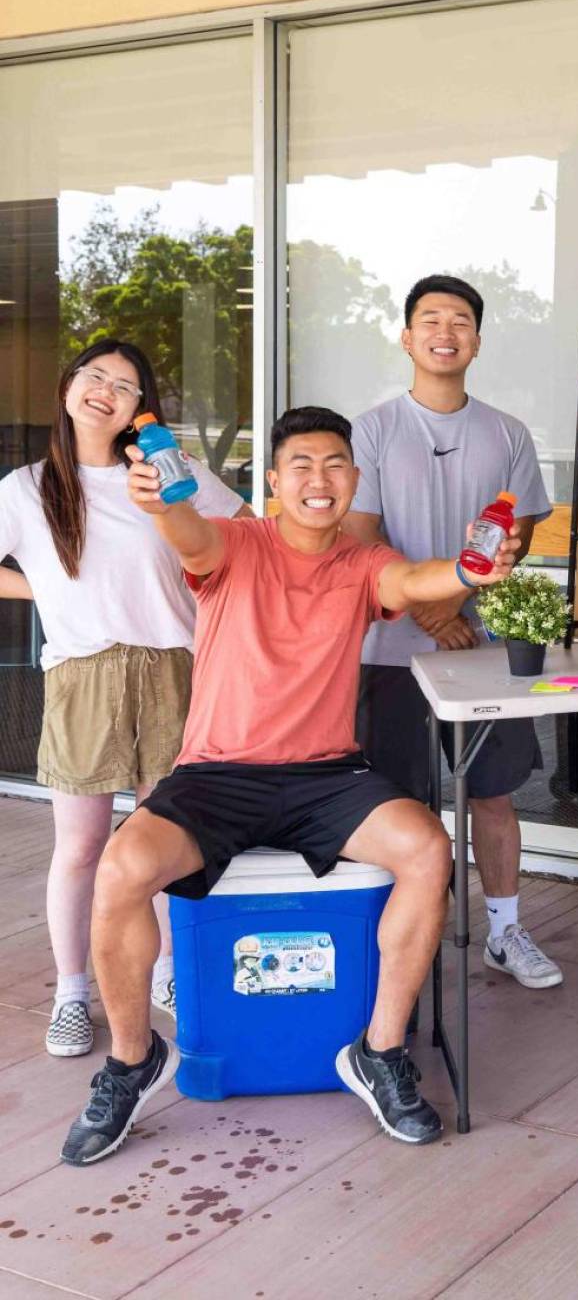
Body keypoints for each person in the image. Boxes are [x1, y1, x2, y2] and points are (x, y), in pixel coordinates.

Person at [59, 406, 518, 1165]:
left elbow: (414, 579)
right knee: (120, 870)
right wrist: (164, 501)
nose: (319, 479)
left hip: (325, 775)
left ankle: (380, 1050)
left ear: (354, 481)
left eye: (335, 465)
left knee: (428, 850)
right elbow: (190, 534)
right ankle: (132, 1061)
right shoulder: (236, 544)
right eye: (301, 465)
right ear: (273, 482)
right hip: (217, 774)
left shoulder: (363, 562)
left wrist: (469, 571)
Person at [0, 341, 248, 1060]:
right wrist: (46, 588)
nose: (105, 391)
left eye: (124, 384)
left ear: (142, 407)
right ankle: (72, 992)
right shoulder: (27, 487)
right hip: (83, 674)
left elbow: (247, 542)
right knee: (79, 846)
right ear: (69, 384)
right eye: (94, 376)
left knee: (162, 844)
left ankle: (168, 974)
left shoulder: (170, 473)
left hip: (175, 668)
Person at [345, 274, 560, 990]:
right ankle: (402, 940)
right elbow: (360, 538)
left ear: (477, 339)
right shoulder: (372, 429)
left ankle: (505, 931)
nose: (446, 331)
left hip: (484, 650)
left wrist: (463, 604)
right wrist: (431, 610)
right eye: (431, 319)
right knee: (397, 801)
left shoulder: (507, 432)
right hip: (390, 651)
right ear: (407, 338)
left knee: (494, 794)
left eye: (461, 320)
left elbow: (521, 531)